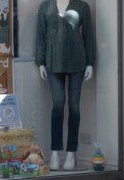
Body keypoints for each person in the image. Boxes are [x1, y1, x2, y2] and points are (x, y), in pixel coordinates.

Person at [35, 0, 95, 170]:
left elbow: (88, 35)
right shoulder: (45, 6)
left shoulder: (82, 6)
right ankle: (54, 151)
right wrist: (40, 62)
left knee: (74, 106)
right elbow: (40, 34)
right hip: (53, 62)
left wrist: (90, 62)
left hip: (77, 61)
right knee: (58, 103)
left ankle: (71, 152)